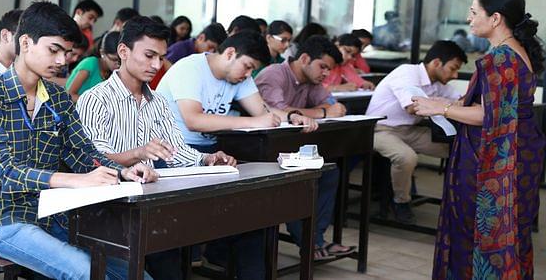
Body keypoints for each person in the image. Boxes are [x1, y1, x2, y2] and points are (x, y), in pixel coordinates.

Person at [0, 0, 154, 280]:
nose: (63, 61)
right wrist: (74, 180)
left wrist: (122, 171)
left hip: (53, 216)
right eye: (54, 50)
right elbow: (1, 171)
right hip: (1, 221)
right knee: (87, 272)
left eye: (67, 52)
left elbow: (81, 151)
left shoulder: (57, 98)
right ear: (25, 43)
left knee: (135, 272)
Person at [77, 16, 237, 279]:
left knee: (177, 248)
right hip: (108, 210)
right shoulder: (95, 99)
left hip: (149, 205)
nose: (156, 65)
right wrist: (139, 153)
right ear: (123, 51)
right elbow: (94, 160)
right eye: (149, 55)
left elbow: (175, 150)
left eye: (161, 57)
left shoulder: (159, 102)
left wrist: (207, 159)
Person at [411, 0, 545, 279]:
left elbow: (489, 115)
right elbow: (498, 106)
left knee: (480, 232)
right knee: (511, 233)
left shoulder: (501, 58)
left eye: (474, 12)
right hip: (518, 152)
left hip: (495, 161)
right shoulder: (514, 51)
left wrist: (440, 108)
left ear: (495, 18)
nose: (468, 18)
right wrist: (449, 104)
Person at [255, 35, 352, 260]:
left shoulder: (311, 81)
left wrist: (323, 110)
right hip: (261, 148)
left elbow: (335, 105)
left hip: (291, 147)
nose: (326, 74)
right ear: (305, 58)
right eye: (323, 67)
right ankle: (310, 242)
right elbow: (279, 112)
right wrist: (321, 112)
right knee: (301, 179)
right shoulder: (274, 74)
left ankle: (315, 238)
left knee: (330, 171)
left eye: (329, 70)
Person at [156, 31, 312, 153]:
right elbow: (194, 121)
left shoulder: (239, 76)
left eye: (252, 70)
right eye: (247, 66)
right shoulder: (189, 68)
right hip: (170, 149)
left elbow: (263, 112)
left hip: (209, 148)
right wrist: (253, 122)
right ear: (230, 54)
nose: (249, 75)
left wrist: (291, 117)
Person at [366, 40, 466, 224]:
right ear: (436, 63)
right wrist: (446, 104)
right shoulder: (407, 73)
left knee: (459, 148)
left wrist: (452, 103)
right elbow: (413, 107)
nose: (455, 75)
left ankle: (458, 202)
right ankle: (401, 201)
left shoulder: (437, 83)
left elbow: (461, 100)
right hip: (380, 130)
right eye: (453, 68)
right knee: (406, 157)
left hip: (409, 130)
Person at [65, 31, 120, 101]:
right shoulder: (90, 63)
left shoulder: (115, 73)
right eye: (114, 59)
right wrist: (94, 103)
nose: (118, 64)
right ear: (102, 53)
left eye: (120, 61)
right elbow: (70, 95)